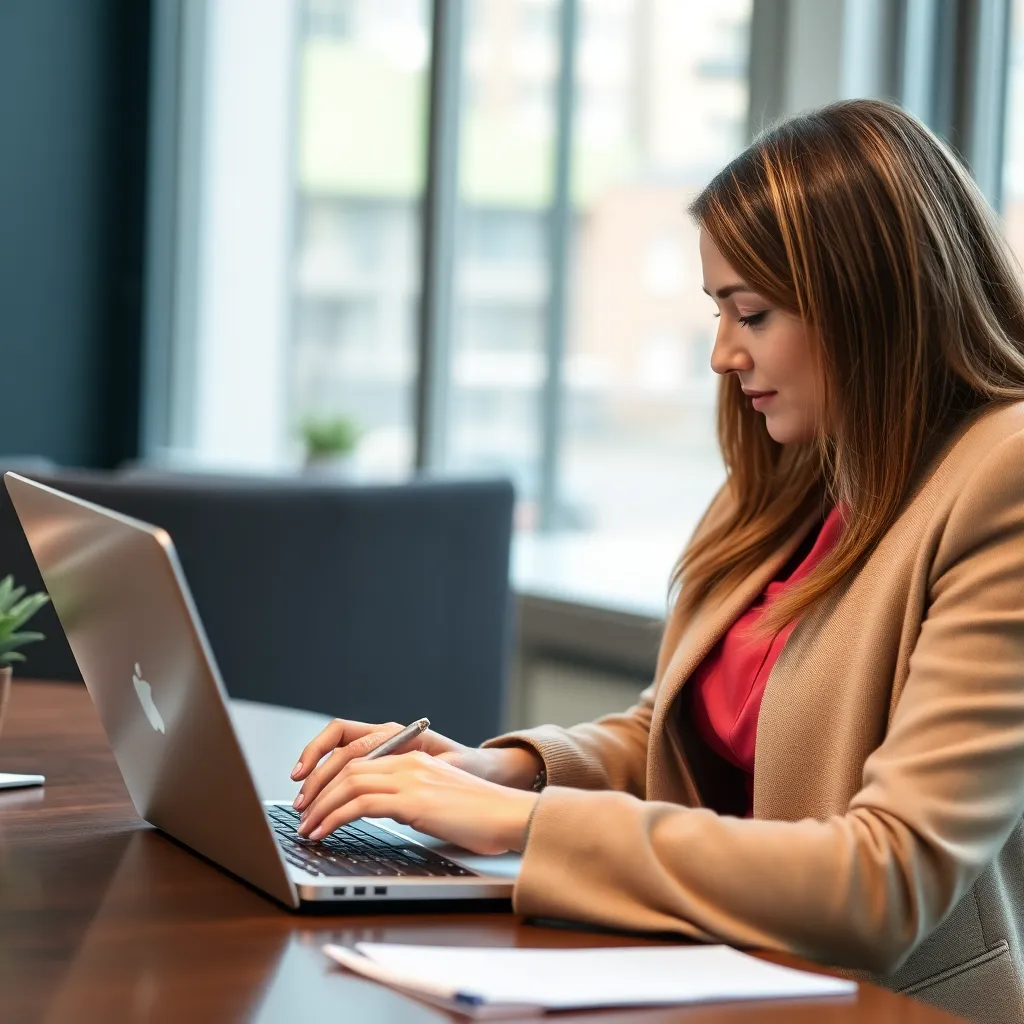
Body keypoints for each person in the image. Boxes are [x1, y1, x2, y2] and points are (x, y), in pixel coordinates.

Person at [290, 99, 1024, 1023]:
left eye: (750, 313)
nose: (723, 354)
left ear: (866, 301)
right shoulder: (803, 470)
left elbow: (887, 880)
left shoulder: (1003, 476)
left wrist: (526, 828)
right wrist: (499, 770)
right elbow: (676, 734)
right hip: (722, 976)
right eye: (719, 312)